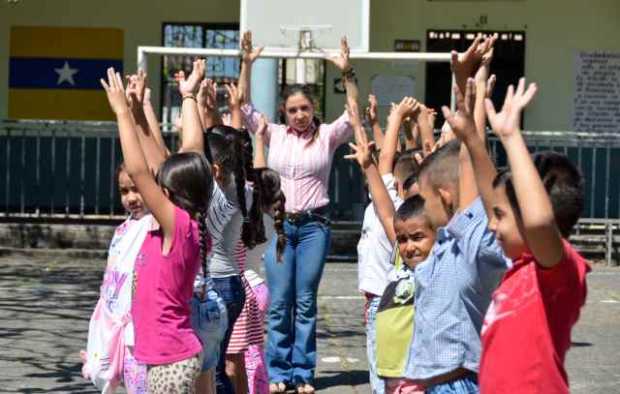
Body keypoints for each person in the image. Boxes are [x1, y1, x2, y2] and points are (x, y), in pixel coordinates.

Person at [448, 76, 589, 393]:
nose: (491, 224)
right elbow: (493, 194)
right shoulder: (520, 268)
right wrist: (472, 138)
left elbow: (539, 223)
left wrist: (511, 137)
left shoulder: (559, 271)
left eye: (499, 216)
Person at [237, 31, 359, 394]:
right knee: (279, 301)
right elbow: (243, 105)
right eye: (293, 109)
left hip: (314, 226)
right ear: (284, 112)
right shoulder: (272, 133)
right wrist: (247, 63)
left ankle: (303, 372)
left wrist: (347, 70)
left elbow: (353, 113)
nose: (300, 114)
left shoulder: (327, 137)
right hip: (278, 226)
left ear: (313, 109)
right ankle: (278, 372)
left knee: (305, 301)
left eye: (305, 108)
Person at [402, 35, 513, 393]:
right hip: (432, 383)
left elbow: (471, 157)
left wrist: (473, 87)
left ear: (447, 197)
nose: (420, 203)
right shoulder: (443, 245)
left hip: (459, 383)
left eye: (425, 196)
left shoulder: (469, 243)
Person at [101, 65, 214, 392]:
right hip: (169, 357)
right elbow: (193, 145)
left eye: (159, 182)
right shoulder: (184, 219)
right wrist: (189, 95)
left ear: (173, 192)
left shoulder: (177, 223)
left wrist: (123, 112)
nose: (153, 184)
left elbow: (138, 170)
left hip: (171, 360)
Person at [345, 101, 434, 394]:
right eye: (404, 239)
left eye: (417, 237)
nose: (408, 246)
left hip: (422, 357)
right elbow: (385, 210)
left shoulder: (442, 253)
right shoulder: (400, 238)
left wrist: (424, 128)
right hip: (389, 353)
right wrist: (368, 164)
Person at [81, 163, 150, 394]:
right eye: (124, 191)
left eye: (137, 188)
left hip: (138, 328)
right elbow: (110, 276)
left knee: (139, 385)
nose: (131, 198)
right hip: (114, 323)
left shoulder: (154, 225)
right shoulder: (122, 229)